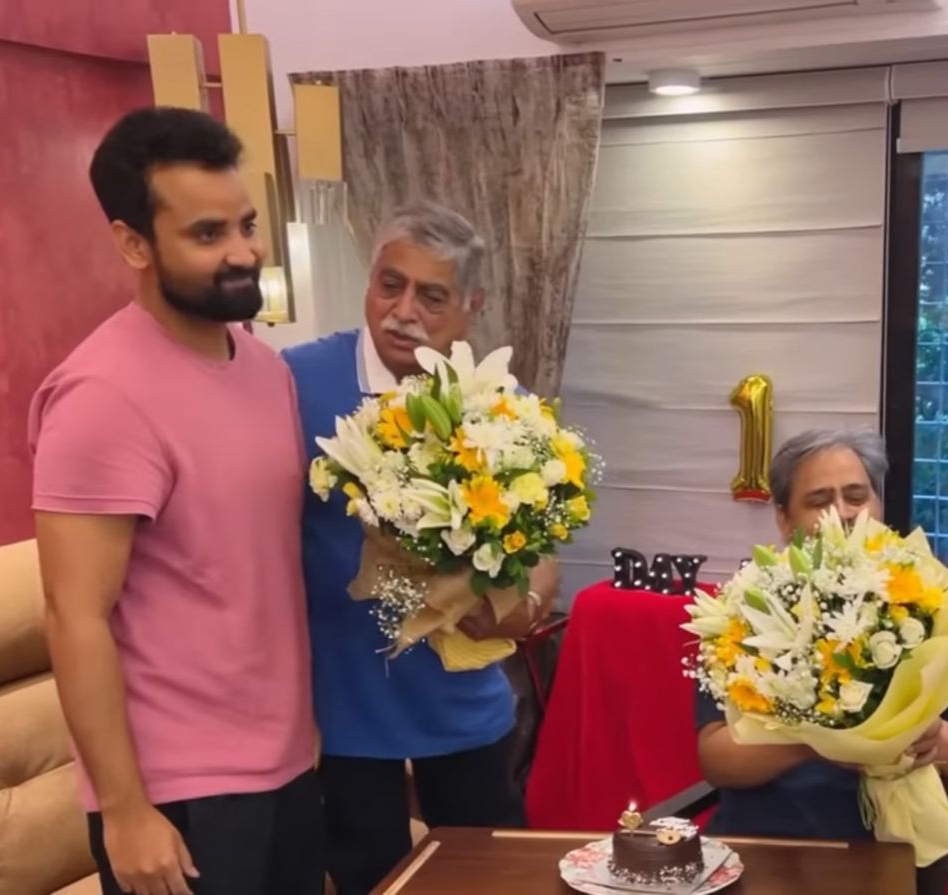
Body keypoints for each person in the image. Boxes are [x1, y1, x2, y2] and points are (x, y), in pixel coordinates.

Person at [29, 107, 321, 895]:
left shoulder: (264, 368)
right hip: (177, 794)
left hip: (286, 765)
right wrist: (125, 811)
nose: (245, 252)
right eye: (207, 234)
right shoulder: (101, 396)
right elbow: (74, 615)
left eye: (247, 225)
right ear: (133, 244)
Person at [283, 200, 559, 895]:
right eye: (390, 285)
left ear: (471, 307)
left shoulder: (501, 403)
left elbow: (544, 550)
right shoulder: (294, 382)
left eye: (431, 297)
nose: (402, 312)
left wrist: (522, 609)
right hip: (342, 710)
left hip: (464, 703)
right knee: (370, 882)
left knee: (495, 880)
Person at [693, 429, 948, 895]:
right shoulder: (748, 609)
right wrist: (816, 740)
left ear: (878, 505)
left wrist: (936, 737)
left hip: (887, 853)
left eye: (856, 496)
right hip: (765, 850)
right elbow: (718, 759)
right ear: (784, 519)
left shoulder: (931, 598)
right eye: (819, 500)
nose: (843, 513)